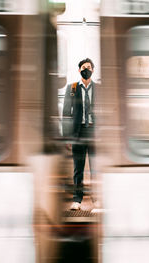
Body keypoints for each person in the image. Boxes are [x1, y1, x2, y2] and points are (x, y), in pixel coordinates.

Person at [63, 58, 97, 210]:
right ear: (79, 70)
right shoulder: (72, 88)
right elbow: (66, 114)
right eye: (84, 67)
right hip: (78, 132)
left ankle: (96, 198)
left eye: (89, 67)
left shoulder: (100, 89)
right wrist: (67, 137)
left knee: (95, 167)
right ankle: (77, 199)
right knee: (78, 168)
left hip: (95, 132)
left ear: (93, 70)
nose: (86, 69)